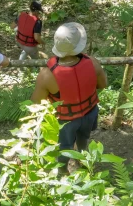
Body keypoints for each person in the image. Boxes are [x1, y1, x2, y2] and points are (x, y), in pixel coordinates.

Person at [30, 23, 107, 174]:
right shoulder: (92, 62)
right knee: (83, 138)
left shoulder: (47, 75)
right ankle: (84, 161)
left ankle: (63, 170)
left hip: (65, 119)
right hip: (89, 112)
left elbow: (35, 102)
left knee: (64, 146)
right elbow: (103, 84)